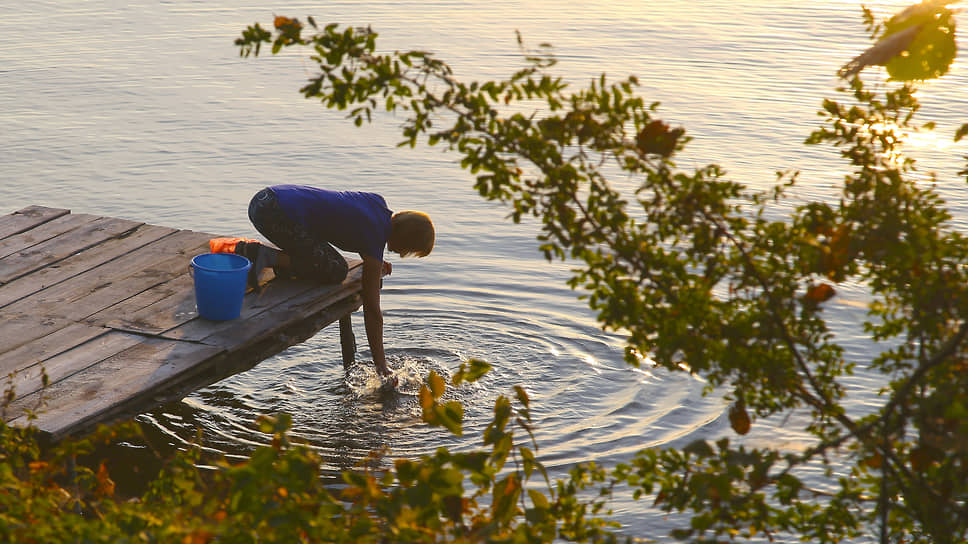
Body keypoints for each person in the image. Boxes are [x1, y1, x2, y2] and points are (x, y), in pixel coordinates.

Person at [236, 185, 435, 381]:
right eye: (408, 250)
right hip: (274, 214)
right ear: (405, 238)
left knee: (325, 259)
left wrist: (374, 259)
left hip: (264, 199)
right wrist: (380, 364)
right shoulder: (374, 236)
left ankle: (280, 262)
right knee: (335, 269)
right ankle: (265, 255)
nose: (401, 254)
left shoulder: (378, 204)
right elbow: (372, 310)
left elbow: (357, 224)